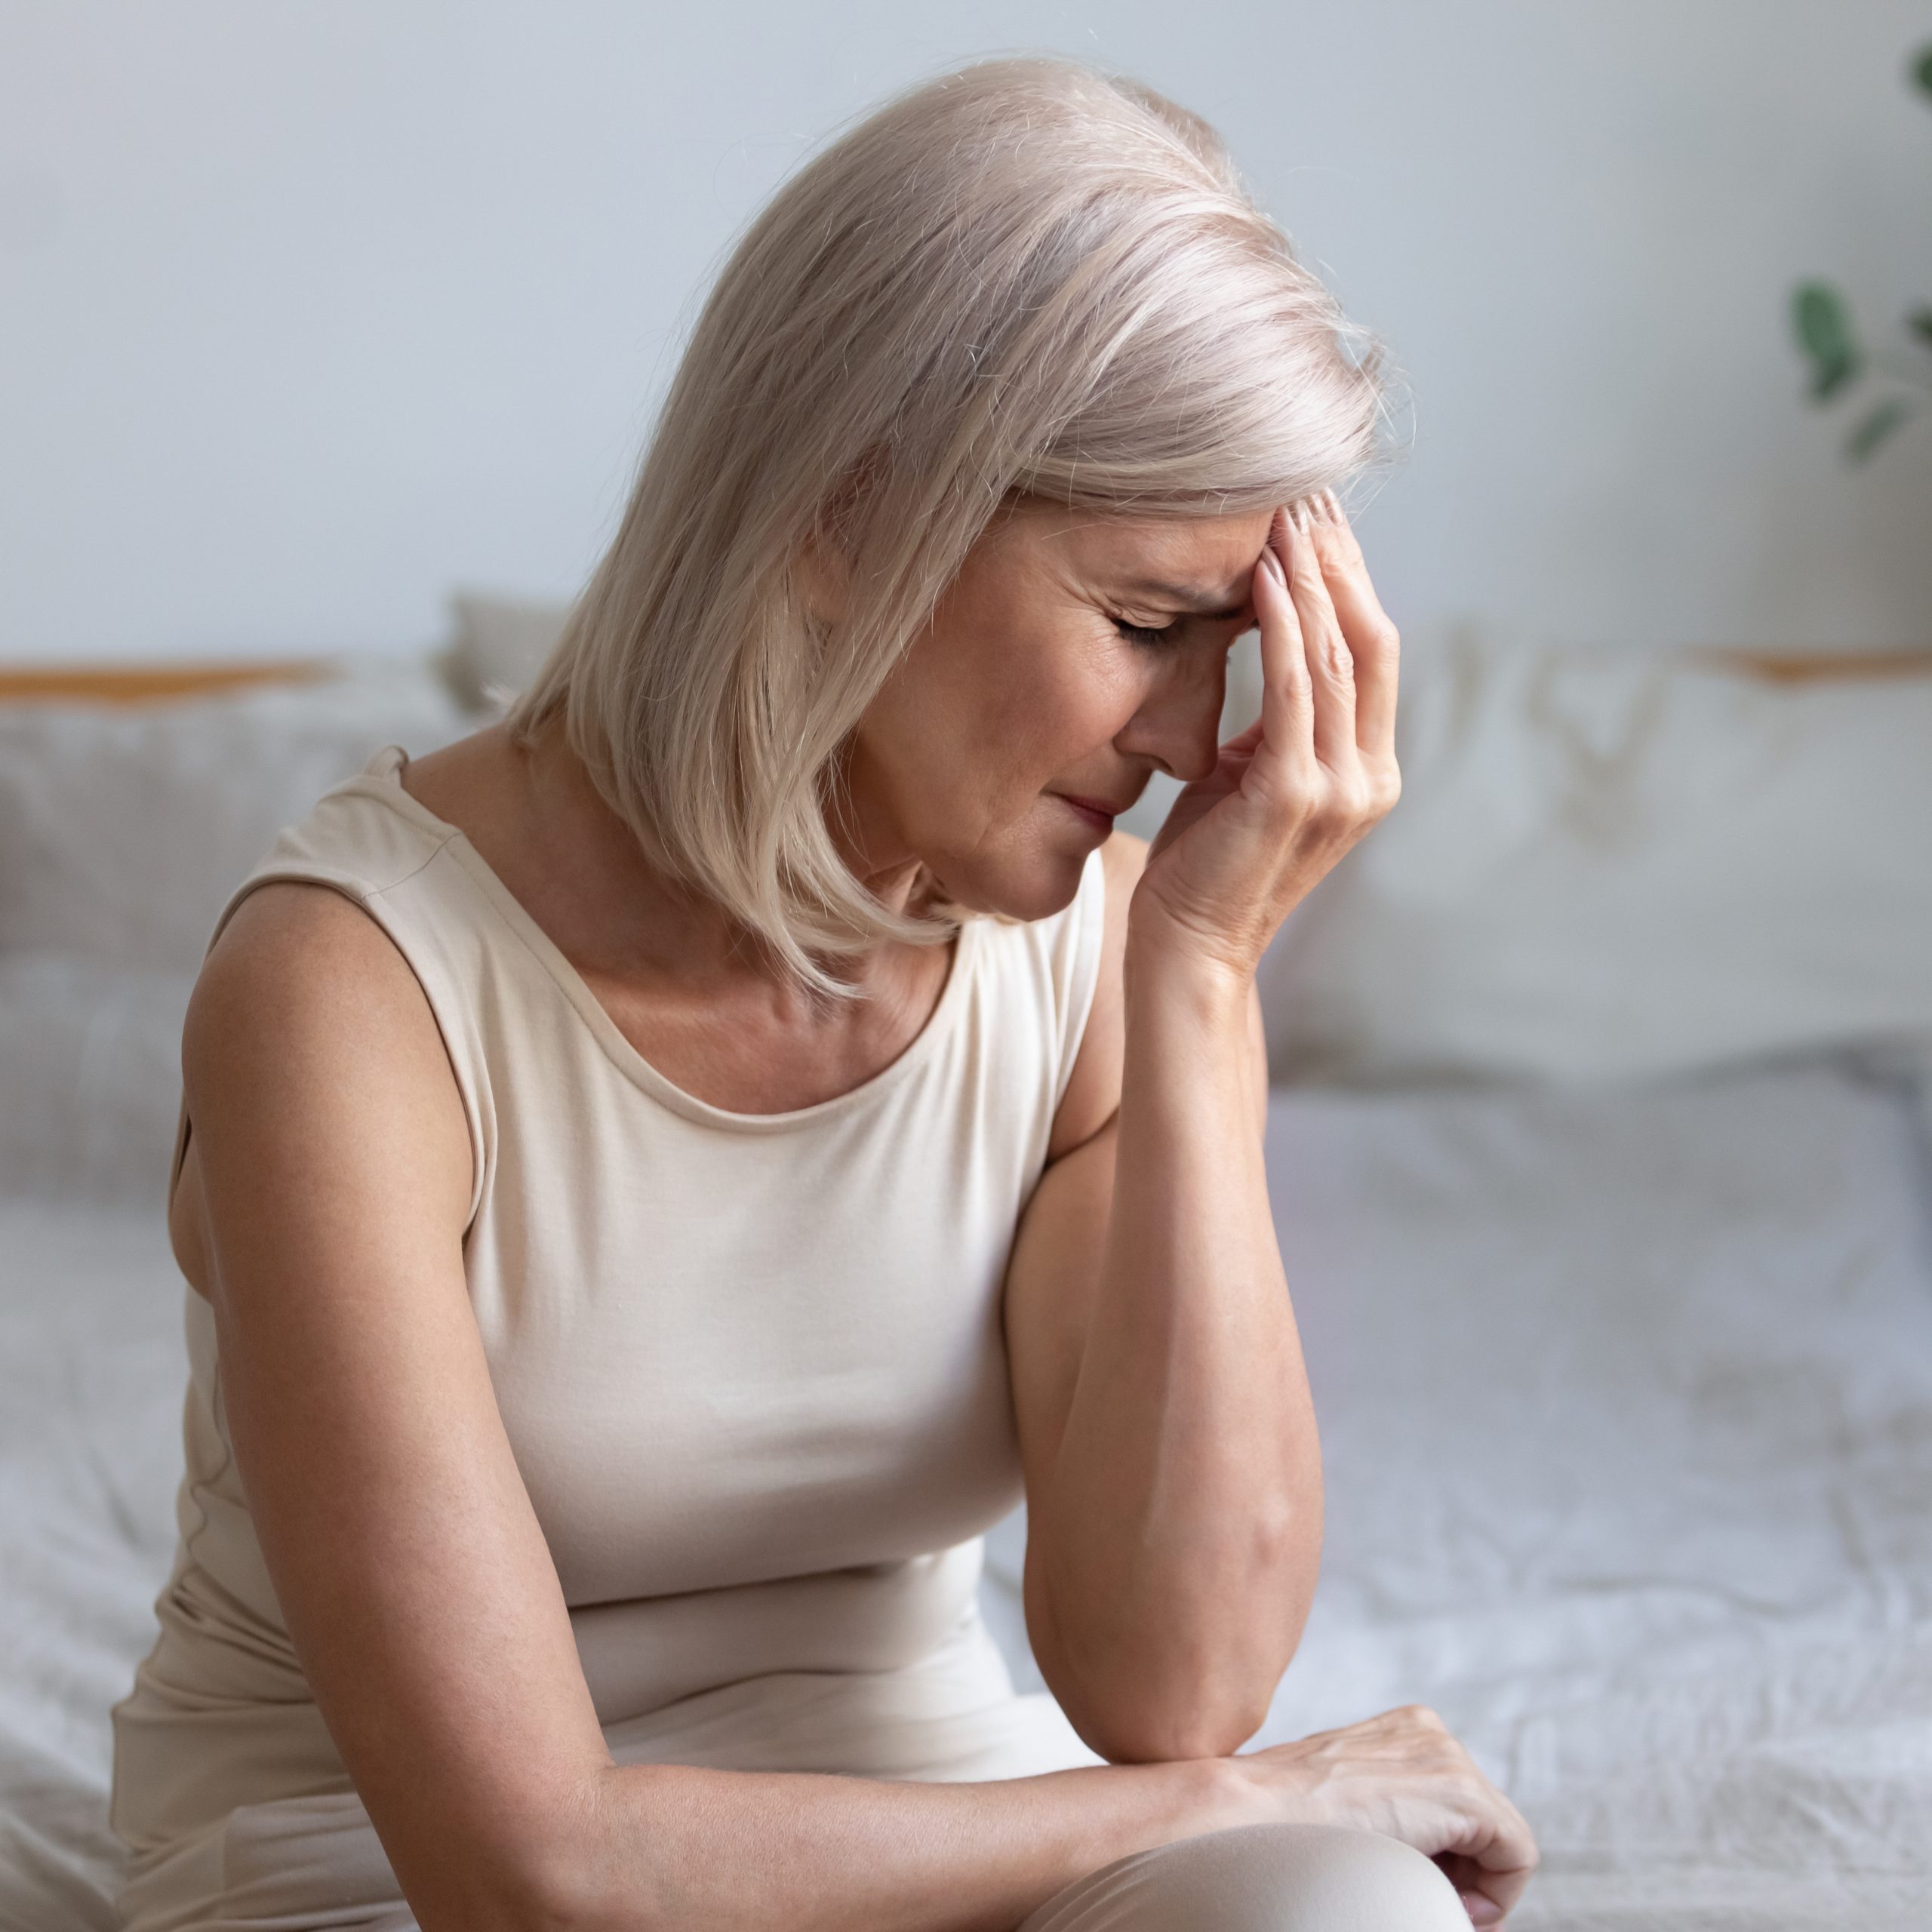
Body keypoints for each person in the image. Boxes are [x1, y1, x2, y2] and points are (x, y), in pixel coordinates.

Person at [109, 54, 1537, 1932]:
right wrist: (1248, 1795)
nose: (1205, 738)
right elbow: (532, 1865)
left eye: (1237, 641)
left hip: (933, 1817)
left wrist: (1195, 975)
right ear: (842, 515)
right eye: (1141, 624)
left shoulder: (1096, 945)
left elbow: (1170, 1685)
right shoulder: (351, 986)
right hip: (389, 1875)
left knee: (1335, 1914)